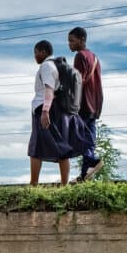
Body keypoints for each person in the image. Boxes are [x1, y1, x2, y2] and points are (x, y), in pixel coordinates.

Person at [28, 39, 83, 186]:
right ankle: (61, 185)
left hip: (44, 109)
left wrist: (45, 111)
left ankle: (34, 184)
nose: (35, 56)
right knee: (53, 145)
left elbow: (49, 89)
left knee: (38, 147)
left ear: (43, 52)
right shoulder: (55, 66)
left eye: (36, 53)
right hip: (54, 109)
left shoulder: (46, 66)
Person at [69, 27, 104, 181]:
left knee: (77, 136)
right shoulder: (94, 57)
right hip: (95, 102)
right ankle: (84, 174)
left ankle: (92, 160)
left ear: (82, 39)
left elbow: (77, 82)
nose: (69, 44)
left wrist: (70, 102)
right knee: (89, 137)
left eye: (72, 40)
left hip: (83, 102)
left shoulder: (80, 56)